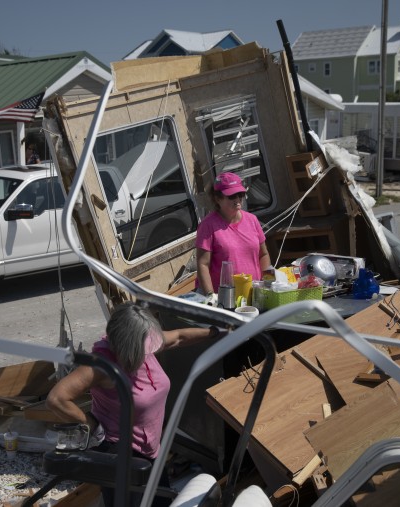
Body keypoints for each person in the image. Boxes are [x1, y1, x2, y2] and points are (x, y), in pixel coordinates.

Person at [46, 302, 222, 506]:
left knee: (160, 501)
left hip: (151, 451)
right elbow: (57, 398)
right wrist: (93, 427)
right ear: (126, 344)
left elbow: (179, 337)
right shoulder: (101, 365)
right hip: (119, 453)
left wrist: (216, 331)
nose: (148, 348)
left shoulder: (144, 343)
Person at [195, 172, 273, 302]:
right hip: (224, 299)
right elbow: (203, 264)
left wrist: (267, 284)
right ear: (217, 198)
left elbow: (263, 255)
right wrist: (211, 297)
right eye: (232, 196)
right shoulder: (207, 225)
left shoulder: (252, 220)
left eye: (240, 194)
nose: (237, 199)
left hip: (253, 294)